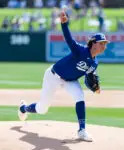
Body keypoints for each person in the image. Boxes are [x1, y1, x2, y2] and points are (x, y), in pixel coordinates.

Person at [18, 11, 109, 142]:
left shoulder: (95, 63)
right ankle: (23, 108)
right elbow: (69, 39)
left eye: (105, 44)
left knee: (80, 96)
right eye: (102, 43)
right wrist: (64, 24)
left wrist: (95, 86)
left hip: (70, 81)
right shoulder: (81, 51)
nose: (104, 46)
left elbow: (89, 78)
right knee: (42, 109)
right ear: (93, 43)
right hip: (53, 76)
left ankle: (82, 130)